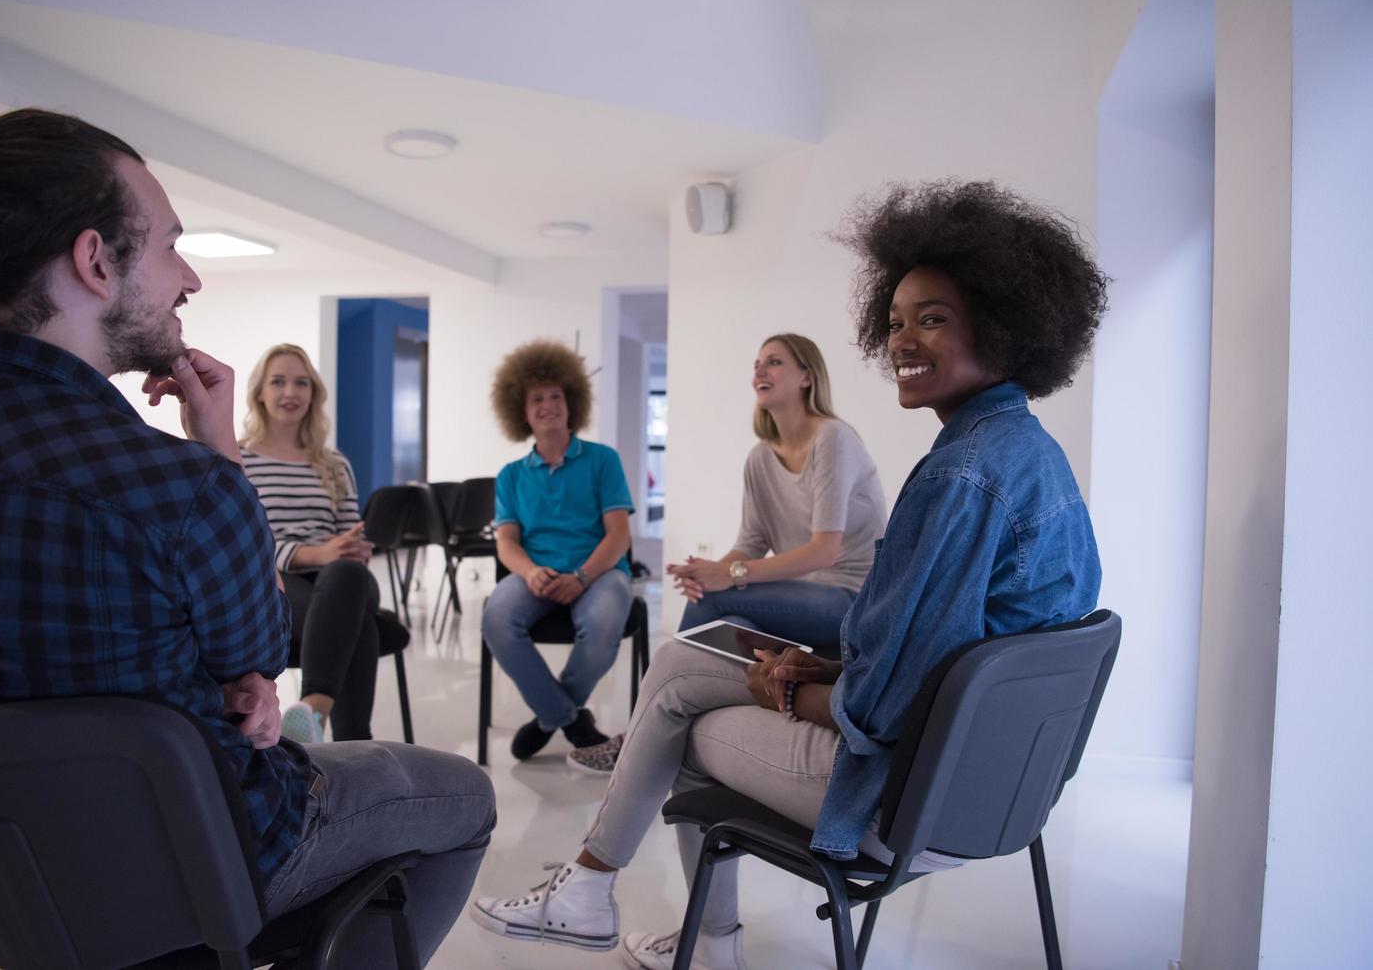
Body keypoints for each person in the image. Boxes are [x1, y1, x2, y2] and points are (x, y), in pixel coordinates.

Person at [0, 109, 493, 968]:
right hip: (189, 861)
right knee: (462, 797)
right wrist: (218, 451)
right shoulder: (180, 484)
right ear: (96, 261)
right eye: (171, 246)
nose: (190, 279)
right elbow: (256, 660)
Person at [468, 179, 1105, 970]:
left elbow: (879, 708)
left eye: (933, 319)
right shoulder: (1030, 456)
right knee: (683, 669)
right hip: (999, 792)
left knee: (682, 724)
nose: (902, 340)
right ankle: (604, 896)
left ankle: (650, 918)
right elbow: (954, 654)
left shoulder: (959, 478)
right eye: (896, 320)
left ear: (1005, 326)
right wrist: (821, 662)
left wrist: (786, 687)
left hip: (903, 798)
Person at [570, 333, 886, 776]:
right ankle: (683, 742)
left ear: (806, 377)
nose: (760, 370)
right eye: (757, 363)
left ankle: (639, 735)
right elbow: (752, 543)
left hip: (855, 602)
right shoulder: (760, 457)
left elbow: (824, 551)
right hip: (803, 602)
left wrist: (730, 577)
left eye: (774, 362)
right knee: (730, 622)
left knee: (719, 602)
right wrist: (709, 571)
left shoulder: (833, 438)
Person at [240, 342, 404, 744]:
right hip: (275, 580)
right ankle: (353, 742)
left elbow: (351, 534)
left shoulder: (333, 463)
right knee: (358, 625)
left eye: (301, 383)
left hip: (343, 579)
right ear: (260, 392)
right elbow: (245, 543)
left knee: (346, 574)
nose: (290, 393)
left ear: (313, 394)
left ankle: (312, 708)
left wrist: (349, 548)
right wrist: (317, 553)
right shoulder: (239, 460)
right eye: (278, 382)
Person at [482, 339, 635, 760]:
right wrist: (530, 572)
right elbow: (507, 542)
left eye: (555, 396)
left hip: (601, 572)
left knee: (604, 622)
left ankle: (549, 717)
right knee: (496, 617)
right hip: (536, 574)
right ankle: (569, 718)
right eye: (537, 399)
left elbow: (619, 535)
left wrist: (583, 576)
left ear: (572, 404)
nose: (548, 405)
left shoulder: (603, 460)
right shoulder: (511, 475)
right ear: (522, 411)